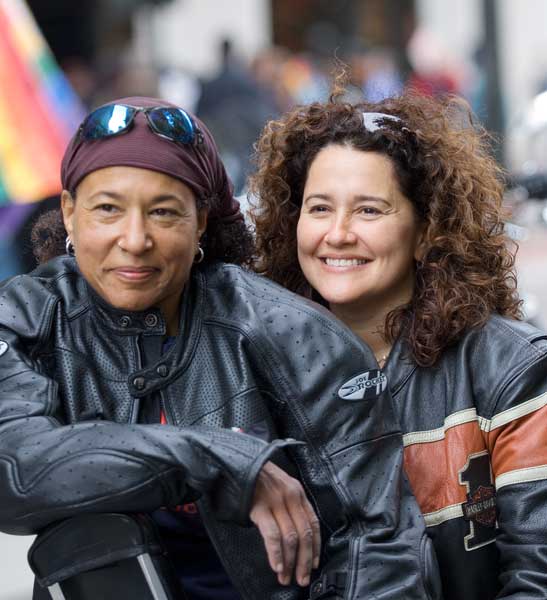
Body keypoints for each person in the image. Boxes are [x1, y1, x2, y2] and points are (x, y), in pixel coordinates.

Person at [0, 97, 440, 600]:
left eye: (163, 212)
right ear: (70, 214)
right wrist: (219, 460)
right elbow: (15, 470)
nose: (135, 239)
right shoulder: (26, 318)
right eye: (108, 209)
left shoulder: (293, 334)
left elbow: (378, 546)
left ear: (201, 221)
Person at [250, 89, 547, 600]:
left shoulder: (511, 369)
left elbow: (536, 576)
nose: (338, 234)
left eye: (369, 210)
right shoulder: (256, 366)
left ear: (427, 229)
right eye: (319, 208)